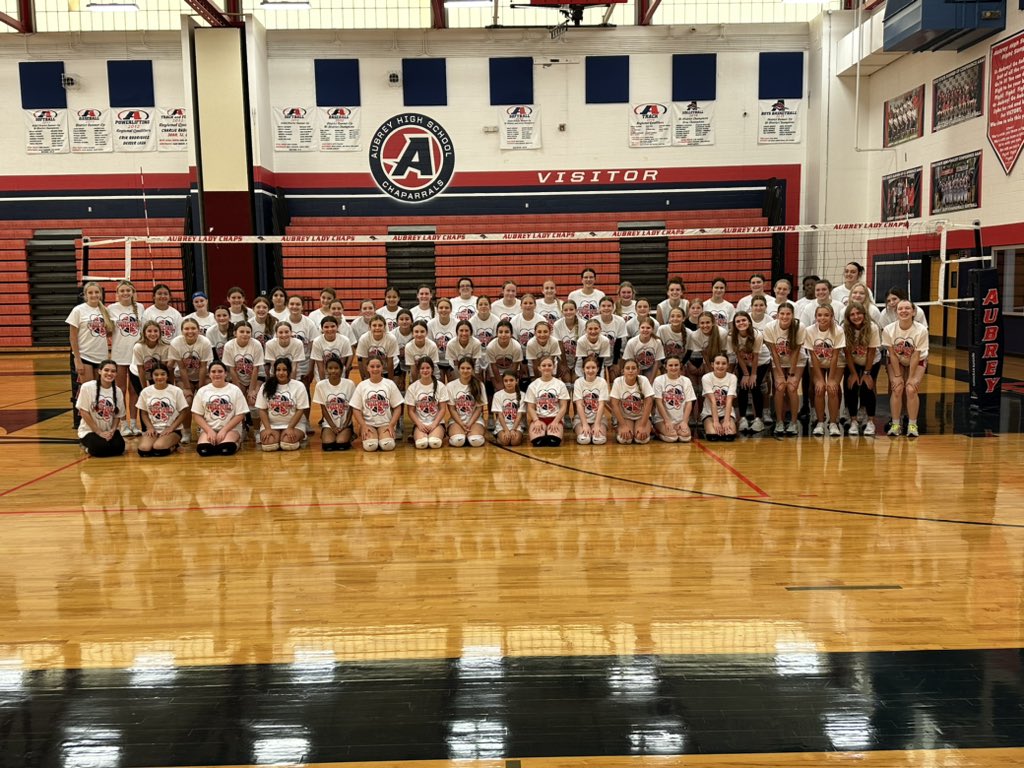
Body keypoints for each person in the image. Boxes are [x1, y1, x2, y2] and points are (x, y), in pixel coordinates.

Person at [883, 298, 929, 438]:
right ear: (896, 313)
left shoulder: (921, 330)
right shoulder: (889, 329)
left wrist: (910, 378)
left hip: (918, 360)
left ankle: (912, 425)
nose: (904, 311)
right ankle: (896, 424)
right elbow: (892, 354)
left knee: (910, 389)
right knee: (897, 388)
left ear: (914, 312)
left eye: (907, 308)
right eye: (900, 309)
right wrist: (897, 376)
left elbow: (916, 356)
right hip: (896, 360)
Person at [107, 279, 144, 436]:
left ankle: (134, 424)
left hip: (136, 355)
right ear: (117, 294)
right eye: (122, 291)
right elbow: (108, 332)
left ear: (133, 292)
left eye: (128, 290)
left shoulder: (140, 307)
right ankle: (123, 423)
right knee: (120, 391)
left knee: (134, 391)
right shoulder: (111, 308)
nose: (125, 293)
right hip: (119, 354)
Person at [168, 317, 213, 443]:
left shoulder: (204, 342)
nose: (190, 331)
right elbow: (181, 367)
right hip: (184, 376)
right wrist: (187, 388)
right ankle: (186, 431)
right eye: (186, 328)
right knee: (187, 401)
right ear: (182, 330)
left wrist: (201, 387)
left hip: (203, 376)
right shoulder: (176, 343)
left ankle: (202, 428)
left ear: (199, 330)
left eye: (193, 328)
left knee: (204, 399)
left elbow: (204, 367)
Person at [763, 302, 805, 436]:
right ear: (777, 315)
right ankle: (779, 422)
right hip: (778, 361)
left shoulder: (799, 326)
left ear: (793, 315)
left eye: (788, 314)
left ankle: (793, 422)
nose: (785, 316)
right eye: (782, 313)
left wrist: (792, 373)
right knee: (780, 387)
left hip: (797, 361)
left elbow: (796, 351)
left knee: (792, 388)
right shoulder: (770, 327)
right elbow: (774, 352)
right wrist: (780, 374)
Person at [804, 304, 846, 437]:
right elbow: (813, 356)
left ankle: (833, 423)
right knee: (820, 388)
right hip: (817, 363)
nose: (823, 318)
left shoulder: (838, 330)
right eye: (820, 315)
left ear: (832, 317)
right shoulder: (809, 330)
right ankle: (820, 422)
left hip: (836, 363)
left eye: (826, 315)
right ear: (815, 317)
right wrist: (821, 380)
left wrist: (832, 379)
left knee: (833, 388)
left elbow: (835, 356)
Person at [191, 360, 248, 456]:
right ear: (209, 374)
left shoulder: (235, 390)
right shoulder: (202, 391)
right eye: (213, 372)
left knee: (225, 449)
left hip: (230, 429)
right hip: (209, 428)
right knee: (204, 451)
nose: (217, 374)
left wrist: (224, 430)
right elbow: (196, 415)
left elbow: (240, 414)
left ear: (226, 374)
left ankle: (237, 441)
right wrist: (209, 431)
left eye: (220, 371)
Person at [842, 301, 881, 437]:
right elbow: (847, 352)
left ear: (864, 314)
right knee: (851, 386)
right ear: (848, 317)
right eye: (852, 314)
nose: (856, 316)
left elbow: (871, 351)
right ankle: (853, 420)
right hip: (852, 361)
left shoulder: (872, 327)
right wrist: (853, 373)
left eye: (858, 313)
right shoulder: (844, 328)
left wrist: (866, 373)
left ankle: (870, 420)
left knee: (867, 386)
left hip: (871, 362)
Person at [256, 357, 309, 451]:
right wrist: (268, 429)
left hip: (295, 425)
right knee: (269, 445)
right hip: (271, 424)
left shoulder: (299, 386)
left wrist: (290, 428)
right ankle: (278, 437)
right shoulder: (265, 386)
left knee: (288, 444)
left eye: (284, 370)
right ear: (274, 371)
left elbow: (300, 410)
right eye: (278, 370)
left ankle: (287, 437)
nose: (281, 373)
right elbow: (262, 409)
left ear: (289, 371)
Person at [351, 357, 403, 451]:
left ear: (382, 367)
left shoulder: (390, 384)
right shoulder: (362, 385)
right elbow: (355, 408)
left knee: (388, 445)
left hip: (385, 423)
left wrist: (391, 425)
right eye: (372, 366)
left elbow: (398, 407)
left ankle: (381, 436)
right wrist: (363, 425)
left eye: (378, 366)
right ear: (367, 368)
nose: (375, 369)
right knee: (370, 446)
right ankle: (375, 436)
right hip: (368, 424)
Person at [67, 281, 113, 386]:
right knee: (88, 391)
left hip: (102, 357)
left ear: (100, 294)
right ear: (85, 295)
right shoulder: (78, 310)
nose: (94, 295)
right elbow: (73, 338)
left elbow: (108, 333)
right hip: (85, 356)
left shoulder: (105, 311)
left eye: (96, 292)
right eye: (90, 292)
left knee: (99, 392)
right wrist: (77, 360)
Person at [77, 359, 125, 457]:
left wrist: (112, 430)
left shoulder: (118, 391)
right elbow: (83, 412)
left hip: (108, 431)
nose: (109, 373)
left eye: (113, 371)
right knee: (100, 449)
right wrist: (98, 432)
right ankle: (85, 445)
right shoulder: (87, 387)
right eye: (106, 370)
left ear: (116, 374)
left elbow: (117, 415)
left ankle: (103, 442)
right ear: (100, 371)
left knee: (119, 448)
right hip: (90, 431)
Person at [136, 363, 187, 457]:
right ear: (151, 376)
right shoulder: (145, 392)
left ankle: (174, 444)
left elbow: (184, 412)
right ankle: (159, 441)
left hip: (172, 430)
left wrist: (171, 428)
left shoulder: (176, 391)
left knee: (159, 449)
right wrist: (150, 427)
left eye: (163, 374)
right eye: (156, 374)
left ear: (167, 376)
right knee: (143, 451)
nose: (159, 377)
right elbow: (143, 413)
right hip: (154, 429)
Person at [728, 311, 767, 432]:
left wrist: (753, 374)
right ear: (734, 324)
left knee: (754, 386)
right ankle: (743, 418)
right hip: (744, 363)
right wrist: (745, 374)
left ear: (749, 322)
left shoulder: (757, 335)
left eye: (743, 320)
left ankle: (759, 419)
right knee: (743, 386)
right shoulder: (731, 336)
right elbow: (738, 355)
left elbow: (756, 356)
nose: (741, 323)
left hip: (760, 362)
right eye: (738, 321)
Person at [525, 355, 570, 447]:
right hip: (539, 418)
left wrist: (556, 421)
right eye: (544, 365)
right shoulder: (533, 385)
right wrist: (536, 421)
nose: (546, 368)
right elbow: (530, 407)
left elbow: (563, 407)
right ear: (539, 368)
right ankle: (543, 431)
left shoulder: (560, 384)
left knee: (553, 442)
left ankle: (551, 432)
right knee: (538, 443)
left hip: (555, 418)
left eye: (549, 365)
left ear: (553, 367)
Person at [405, 357, 449, 449]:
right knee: (422, 444)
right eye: (422, 368)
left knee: (434, 443)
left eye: (428, 368)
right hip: (420, 424)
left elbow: (442, 409)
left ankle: (440, 433)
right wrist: (419, 425)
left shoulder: (440, 386)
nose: (425, 370)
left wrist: (434, 424)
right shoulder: (412, 387)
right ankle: (417, 434)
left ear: (432, 369)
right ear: (418, 370)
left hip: (436, 423)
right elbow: (411, 411)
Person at [312, 357, 355, 451]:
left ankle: (350, 434)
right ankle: (325, 434)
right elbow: (323, 409)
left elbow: (351, 408)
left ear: (341, 369)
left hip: (345, 423)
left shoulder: (349, 384)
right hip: (329, 424)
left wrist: (345, 425)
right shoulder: (320, 385)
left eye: (336, 368)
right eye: (330, 368)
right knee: (328, 446)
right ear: (326, 370)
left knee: (341, 445)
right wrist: (333, 426)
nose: (333, 371)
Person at [223, 320, 265, 415]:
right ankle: (243, 425)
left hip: (257, 377)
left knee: (252, 400)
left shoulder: (256, 344)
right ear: (235, 333)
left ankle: (256, 429)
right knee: (238, 400)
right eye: (241, 331)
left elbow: (256, 368)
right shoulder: (229, 346)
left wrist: (251, 390)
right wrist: (238, 390)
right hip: (238, 377)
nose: (245, 334)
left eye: (248, 332)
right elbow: (232, 369)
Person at [652, 355, 696, 443]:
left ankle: (678, 428)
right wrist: (667, 421)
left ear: (680, 366)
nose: (673, 368)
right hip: (662, 419)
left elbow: (689, 403)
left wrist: (684, 422)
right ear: (665, 366)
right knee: (672, 437)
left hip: (680, 419)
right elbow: (659, 402)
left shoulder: (686, 380)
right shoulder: (659, 380)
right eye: (670, 365)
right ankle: (657, 431)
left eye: (676, 365)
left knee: (685, 437)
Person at [610, 358, 654, 444]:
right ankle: (622, 428)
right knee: (625, 439)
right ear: (623, 371)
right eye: (628, 368)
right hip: (626, 417)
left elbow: (649, 402)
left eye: (633, 368)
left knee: (641, 439)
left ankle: (649, 427)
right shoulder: (618, 381)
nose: (631, 371)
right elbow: (614, 404)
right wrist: (623, 426)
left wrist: (642, 426)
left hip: (641, 416)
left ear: (638, 371)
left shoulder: (643, 380)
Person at [446, 357, 487, 448]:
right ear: (458, 369)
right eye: (462, 368)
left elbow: (479, 408)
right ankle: (458, 434)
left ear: (472, 369)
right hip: (457, 421)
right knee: (458, 441)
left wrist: (469, 424)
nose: (465, 371)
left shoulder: (479, 385)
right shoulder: (450, 386)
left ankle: (471, 435)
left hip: (475, 420)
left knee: (475, 441)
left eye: (468, 368)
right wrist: (461, 424)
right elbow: (452, 409)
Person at [572, 355, 609, 445]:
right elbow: (579, 405)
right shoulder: (578, 382)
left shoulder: (602, 382)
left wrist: (597, 424)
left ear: (598, 369)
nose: (590, 370)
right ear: (583, 369)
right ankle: (582, 427)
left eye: (593, 367)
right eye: (587, 368)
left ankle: (596, 427)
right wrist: (584, 424)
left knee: (598, 440)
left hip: (599, 419)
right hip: (581, 419)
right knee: (584, 440)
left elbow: (601, 405)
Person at [700, 353, 737, 442]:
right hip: (710, 413)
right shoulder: (706, 378)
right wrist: (716, 422)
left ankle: (725, 423)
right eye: (717, 363)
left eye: (723, 363)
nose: (720, 366)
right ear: (712, 365)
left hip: (726, 413)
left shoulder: (732, 377)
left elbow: (729, 400)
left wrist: (727, 420)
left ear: (728, 365)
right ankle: (707, 426)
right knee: (713, 435)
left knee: (729, 436)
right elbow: (713, 401)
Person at [311, 315, 354, 381]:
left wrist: (338, 380)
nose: (330, 329)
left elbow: (341, 364)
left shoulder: (345, 340)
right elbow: (320, 367)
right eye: (326, 327)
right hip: (322, 375)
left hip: (339, 374)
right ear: (322, 329)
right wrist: (323, 383)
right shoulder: (317, 341)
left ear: (337, 327)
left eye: (333, 326)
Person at [486, 320, 525, 391]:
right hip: (496, 371)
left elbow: (515, 366)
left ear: (511, 334)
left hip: (511, 370)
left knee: (511, 389)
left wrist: (508, 381)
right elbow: (493, 366)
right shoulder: (491, 347)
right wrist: (500, 382)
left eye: (506, 332)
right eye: (500, 332)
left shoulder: (516, 346)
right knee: (499, 389)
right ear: (497, 334)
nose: (503, 335)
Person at [622, 317, 664, 382]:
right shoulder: (631, 342)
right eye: (642, 327)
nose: (645, 330)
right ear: (639, 328)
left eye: (648, 328)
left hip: (650, 367)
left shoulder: (657, 342)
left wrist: (651, 381)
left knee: (651, 382)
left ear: (652, 329)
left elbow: (657, 362)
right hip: (636, 367)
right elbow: (630, 362)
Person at [491, 370, 525, 446]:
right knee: (505, 441)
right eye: (506, 381)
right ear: (503, 382)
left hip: (516, 425)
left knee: (514, 442)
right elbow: (500, 415)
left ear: (516, 381)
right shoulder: (498, 395)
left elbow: (519, 415)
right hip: (502, 425)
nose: (508, 383)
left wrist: (513, 429)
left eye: (511, 380)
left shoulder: (522, 395)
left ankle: (520, 436)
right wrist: (506, 430)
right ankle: (497, 436)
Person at [428, 298, 458, 381]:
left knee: (454, 384)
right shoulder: (431, 324)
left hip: (452, 359)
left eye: (446, 308)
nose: (443, 310)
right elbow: (429, 345)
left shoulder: (457, 323)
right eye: (441, 308)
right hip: (437, 360)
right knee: (438, 384)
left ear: (451, 310)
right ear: (437, 310)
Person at [552, 300, 581, 383]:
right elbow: (560, 345)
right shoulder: (557, 324)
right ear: (562, 312)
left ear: (576, 310)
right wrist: (564, 365)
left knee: (575, 379)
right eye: (566, 310)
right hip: (563, 359)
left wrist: (576, 366)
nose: (568, 312)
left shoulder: (583, 324)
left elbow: (581, 347)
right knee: (567, 379)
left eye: (571, 309)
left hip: (578, 359)